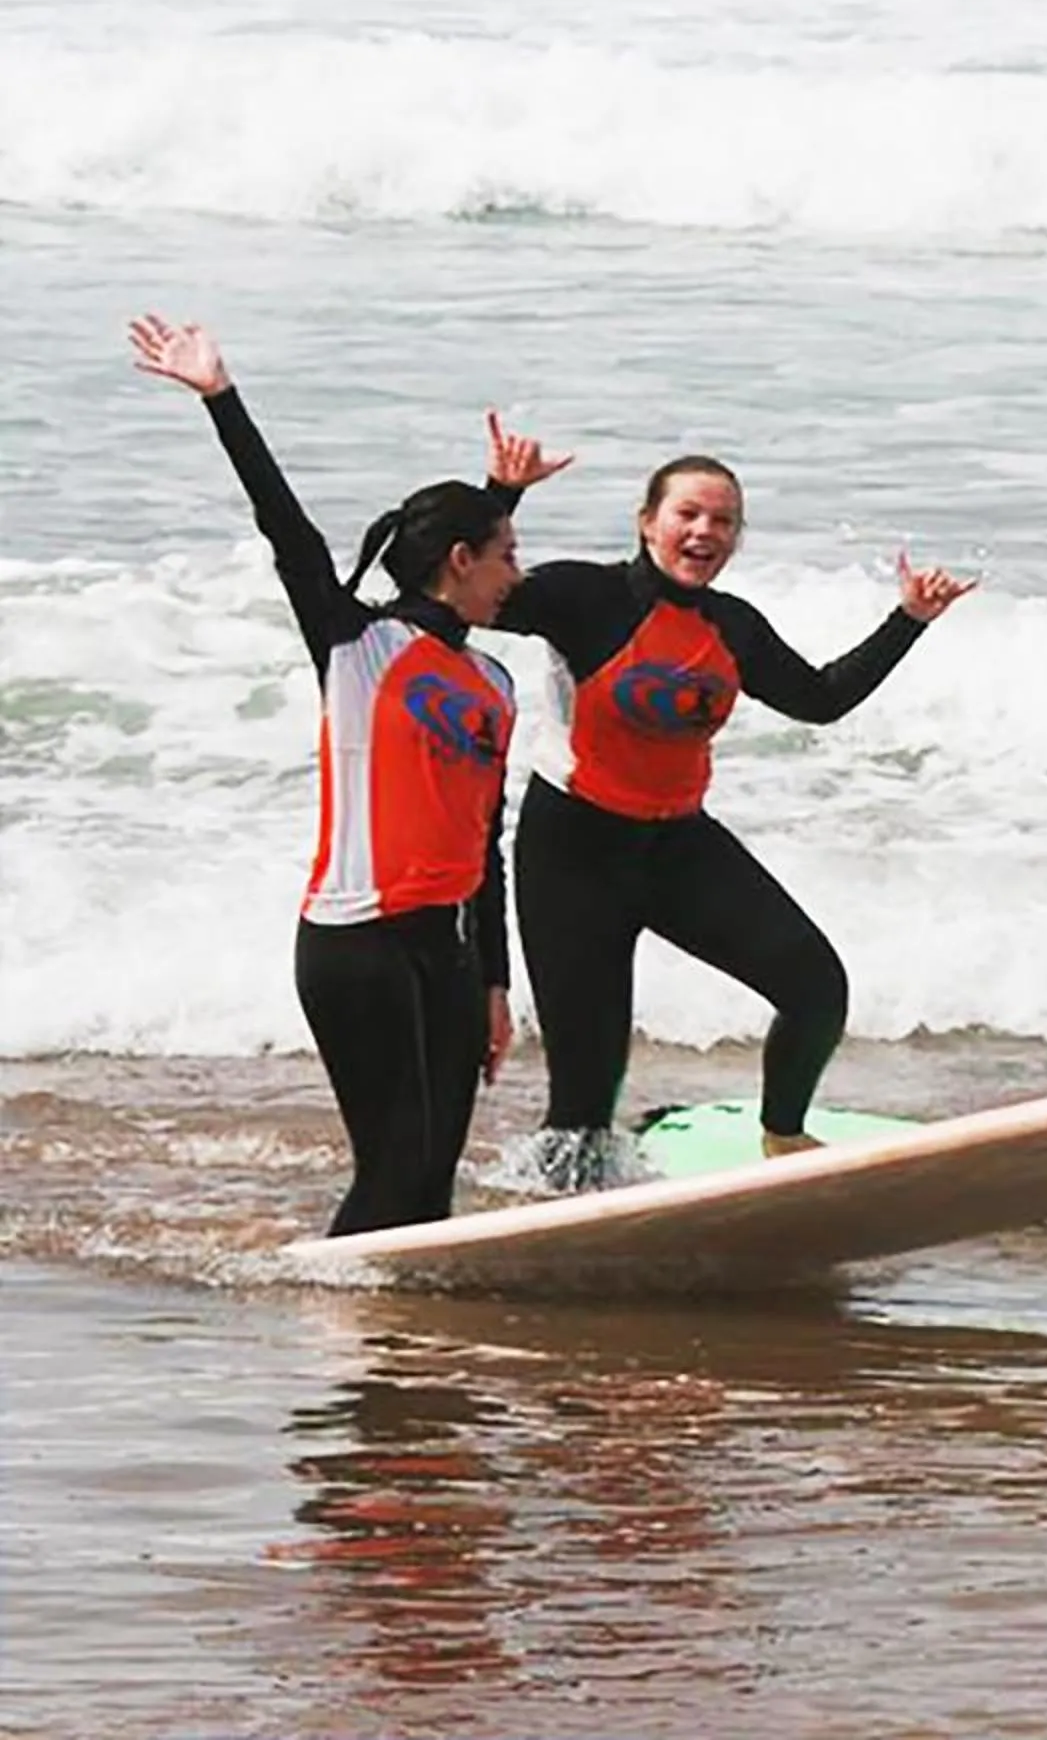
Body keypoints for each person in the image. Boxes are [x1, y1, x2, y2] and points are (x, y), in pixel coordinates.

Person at [482, 441, 974, 1182]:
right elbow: (477, 589)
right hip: (572, 856)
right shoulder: (583, 597)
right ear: (648, 522)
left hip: (679, 847)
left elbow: (820, 699)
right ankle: (550, 1222)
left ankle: (783, 1140)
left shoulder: (734, 626)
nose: (705, 531)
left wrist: (908, 619)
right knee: (585, 1098)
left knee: (815, 988)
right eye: (688, 513)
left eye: (724, 520)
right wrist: (502, 493)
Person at [130, 316, 525, 1235]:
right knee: (391, 1176)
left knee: (433, 1184)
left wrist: (495, 982)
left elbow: (486, 842)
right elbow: (288, 531)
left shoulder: (495, 683)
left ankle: (404, 1353)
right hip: (358, 944)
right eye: (507, 555)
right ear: (460, 562)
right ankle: (339, 1326)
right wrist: (221, 399)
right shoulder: (358, 644)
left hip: (450, 951)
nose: (519, 573)